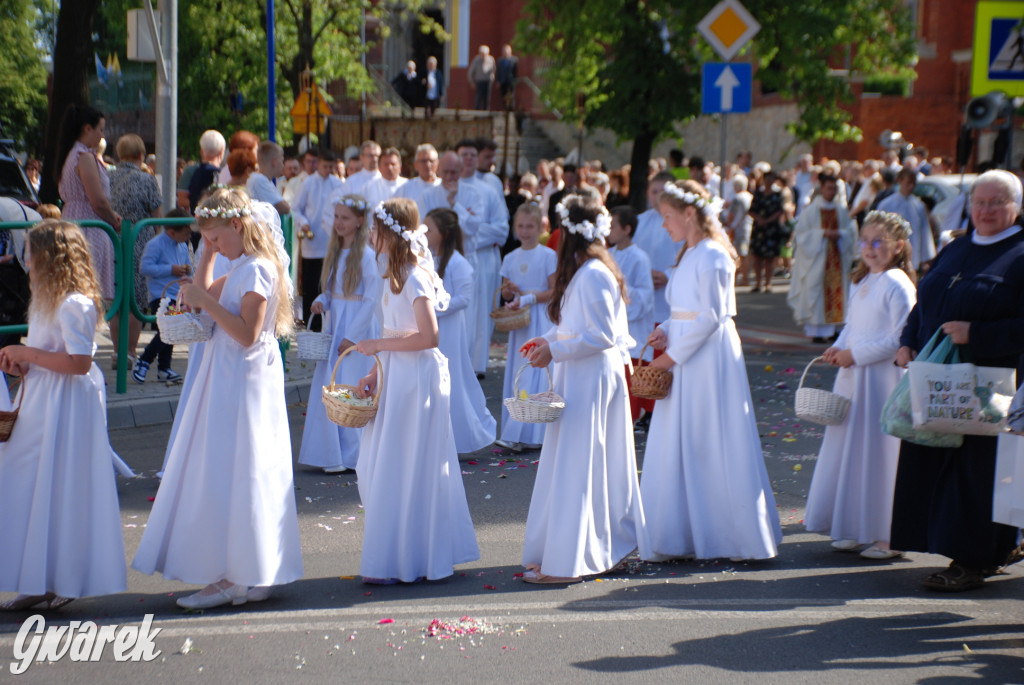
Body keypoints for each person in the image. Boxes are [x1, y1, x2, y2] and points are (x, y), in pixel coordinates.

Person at [133, 188, 302, 609]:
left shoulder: (259, 269)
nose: (214, 246)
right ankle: (248, 571)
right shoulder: (241, 264)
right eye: (206, 239)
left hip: (243, 377)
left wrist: (205, 299)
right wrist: (206, 254)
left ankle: (234, 575)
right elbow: (207, 287)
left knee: (240, 466)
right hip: (228, 373)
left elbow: (246, 333)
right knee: (236, 466)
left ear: (238, 226)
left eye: (217, 238)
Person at [890, 170, 1024, 591]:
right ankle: (966, 545)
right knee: (933, 461)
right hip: (939, 379)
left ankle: (974, 560)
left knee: (975, 473)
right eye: (979, 202)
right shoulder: (956, 247)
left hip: (990, 383)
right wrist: (908, 340)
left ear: (1016, 206)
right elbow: (925, 298)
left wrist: (977, 333)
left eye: (996, 202)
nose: (985, 210)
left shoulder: (1020, 254)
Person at [641, 181, 782, 562]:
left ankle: (728, 535)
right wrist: (665, 331)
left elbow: (712, 315)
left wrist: (669, 359)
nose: (664, 225)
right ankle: (681, 531)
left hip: (706, 360)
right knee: (683, 439)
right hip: (686, 352)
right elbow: (684, 310)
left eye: (667, 216)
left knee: (710, 438)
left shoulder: (715, 255)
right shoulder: (688, 253)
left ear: (690, 214)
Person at [518, 194, 649, 584]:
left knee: (581, 464)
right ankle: (592, 548)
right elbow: (575, 327)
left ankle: (571, 561)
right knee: (579, 463)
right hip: (581, 374)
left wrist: (555, 351)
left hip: (590, 379)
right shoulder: (588, 271)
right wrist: (546, 340)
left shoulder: (593, 274)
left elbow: (602, 335)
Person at [0, 220, 126, 611]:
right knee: (30, 481)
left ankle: (65, 576)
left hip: (69, 403)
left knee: (66, 483)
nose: (27, 265)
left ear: (51, 260)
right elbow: (48, 352)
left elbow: (78, 361)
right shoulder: (46, 300)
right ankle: (36, 577)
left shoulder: (75, 303)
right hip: (43, 397)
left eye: (31, 257)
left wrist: (27, 354)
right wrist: (22, 363)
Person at [352, 198, 479, 584]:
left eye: (374, 229)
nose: (370, 236)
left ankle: (409, 557)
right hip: (395, 374)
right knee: (383, 461)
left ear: (390, 232)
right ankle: (395, 553)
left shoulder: (415, 276)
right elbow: (394, 329)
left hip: (416, 380)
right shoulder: (390, 275)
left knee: (407, 463)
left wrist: (378, 348)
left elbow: (429, 336)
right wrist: (376, 370)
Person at [804, 211, 917, 560]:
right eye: (865, 241)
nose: (869, 248)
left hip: (881, 377)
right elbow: (853, 325)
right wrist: (840, 346)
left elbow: (900, 338)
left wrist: (857, 354)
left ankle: (888, 534)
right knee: (851, 449)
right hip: (854, 376)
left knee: (880, 453)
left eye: (877, 241)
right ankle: (854, 524)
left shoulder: (898, 283)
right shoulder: (862, 280)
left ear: (898, 245)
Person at [298, 195, 379, 473]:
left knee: (350, 386)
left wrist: (355, 336)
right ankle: (330, 452)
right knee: (332, 387)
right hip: (335, 328)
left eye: (345, 218)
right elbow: (333, 292)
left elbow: (370, 299)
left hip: (356, 329)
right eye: (336, 217)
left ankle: (353, 455)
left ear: (359, 221)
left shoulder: (367, 257)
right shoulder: (333, 254)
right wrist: (322, 299)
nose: (339, 223)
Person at [55, 105, 124, 364]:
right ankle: (82, 360)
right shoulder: (83, 156)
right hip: (90, 228)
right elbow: (97, 200)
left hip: (74, 222)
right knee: (86, 297)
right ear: (87, 128)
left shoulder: (71, 153)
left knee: (76, 293)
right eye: (100, 129)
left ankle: (76, 356)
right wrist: (113, 219)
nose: (102, 136)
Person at [425, 207, 496, 453]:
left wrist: (433, 308)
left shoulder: (458, 263)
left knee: (450, 378)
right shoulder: (427, 260)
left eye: (429, 228)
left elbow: (463, 298)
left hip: (449, 330)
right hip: (431, 328)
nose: (424, 232)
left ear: (444, 233)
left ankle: (460, 435)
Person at [496, 203, 557, 451]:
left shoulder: (548, 255)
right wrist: (510, 293)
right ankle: (516, 427)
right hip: (520, 320)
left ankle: (536, 432)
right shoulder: (510, 257)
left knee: (536, 370)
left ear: (540, 226)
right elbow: (506, 291)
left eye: (530, 226)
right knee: (518, 370)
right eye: (520, 226)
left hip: (540, 318)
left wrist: (530, 298)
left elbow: (554, 290)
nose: (525, 230)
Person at [110, 133, 164, 365]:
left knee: (117, 299)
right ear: (141, 155)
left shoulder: (107, 177)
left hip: (112, 238)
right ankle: (130, 352)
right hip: (139, 240)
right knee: (136, 300)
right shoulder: (147, 180)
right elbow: (157, 217)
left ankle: (116, 351)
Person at [787, 173, 857, 342]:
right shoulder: (811, 211)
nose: (832, 192)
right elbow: (801, 235)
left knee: (839, 294)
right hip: (817, 261)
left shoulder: (841, 210)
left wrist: (840, 234)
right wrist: (822, 234)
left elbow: (851, 232)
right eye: (829, 188)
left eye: (834, 189)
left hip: (837, 260)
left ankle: (834, 330)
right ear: (822, 188)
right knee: (817, 294)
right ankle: (818, 332)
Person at [607, 205, 655, 423]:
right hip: (614, 324)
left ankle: (632, 419)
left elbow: (645, 294)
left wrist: (623, 286)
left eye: (613, 225)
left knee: (633, 377)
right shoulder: (608, 255)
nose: (609, 229)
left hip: (633, 326)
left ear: (627, 229)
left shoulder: (639, 258)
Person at [133, 215, 192, 384]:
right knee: (170, 328)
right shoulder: (155, 244)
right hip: (160, 294)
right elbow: (144, 267)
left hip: (177, 293)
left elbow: (188, 265)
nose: (188, 237)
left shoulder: (182, 245)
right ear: (172, 232)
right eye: (186, 234)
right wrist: (170, 269)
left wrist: (187, 270)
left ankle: (164, 368)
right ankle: (144, 360)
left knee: (171, 329)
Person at [292, 149, 345, 325]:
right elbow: (296, 208)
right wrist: (303, 222)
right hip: (312, 241)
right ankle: (310, 323)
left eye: (331, 167)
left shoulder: (337, 184)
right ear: (318, 165)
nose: (327, 170)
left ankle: (325, 324)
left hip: (330, 240)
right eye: (324, 166)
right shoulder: (307, 183)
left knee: (327, 285)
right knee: (310, 285)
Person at [877, 168, 936, 271]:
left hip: (913, 254)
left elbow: (924, 231)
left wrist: (925, 258)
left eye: (913, 183)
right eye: (908, 183)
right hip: (891, 254)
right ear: (900, 181)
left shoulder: (919, 205)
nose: (911, 186)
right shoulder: (886, 204)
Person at [748, 170, 787, 293]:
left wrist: (768, 220)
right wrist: (759, 219)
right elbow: (751, 210)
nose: (769, 182)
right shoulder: (758, 194)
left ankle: (768, 283)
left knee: (770, 258)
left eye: (771, 179)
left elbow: (780, 211)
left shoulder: (778, 195)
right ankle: (758, 283)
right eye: (767, 179)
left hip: (771, 228)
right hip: (759, 228)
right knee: (757, 256)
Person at [394, 143, 441, 214]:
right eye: (424, 161)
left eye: (431, 161)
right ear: (415, 165)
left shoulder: (443, 186)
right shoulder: (405, 188)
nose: (428, 165)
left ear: (438, 163)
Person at [247, 141, 290, 216]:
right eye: (282, 161)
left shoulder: (260, 179)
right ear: (274, 161)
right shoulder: (260, 180)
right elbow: (284, 208)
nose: (283, 165)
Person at [188, 129, 226, 213]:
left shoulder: (195, 172)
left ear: (201, 151)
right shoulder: (218, 174)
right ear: (221, 151)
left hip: (197, 218)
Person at [726, 174, 754, 286]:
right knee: (746, 253)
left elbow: (732, 215)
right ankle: (745, 278)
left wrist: (729, 227)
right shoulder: (750, 196)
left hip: (740, 229)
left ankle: (744, 278)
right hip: (749, 226)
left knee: (741, 254)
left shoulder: (737, 198)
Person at [361, 147, 407, 213]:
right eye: (386, 164)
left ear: (400, 167)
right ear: (379, 167)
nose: (389, 168)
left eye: (393, 164)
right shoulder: (368, 187)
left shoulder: (408, 185)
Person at [468, 45, 496, 111]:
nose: (483, 55)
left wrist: (492, 76)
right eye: (482, 54)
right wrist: (471, 81)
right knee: (479, 97)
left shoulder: (491, 60)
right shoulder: (476, 60)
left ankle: (486, 111)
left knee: (487, 97)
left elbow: (494, 70)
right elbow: (470, 72)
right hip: (479, 81)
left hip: (488, 81)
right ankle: (477, 112)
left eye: (485, 54)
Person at [496, 44, 518, 110]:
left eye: (507, 51)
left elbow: (515, 71)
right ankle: (505, 109)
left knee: (511, 95)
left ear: (510, 51)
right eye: (504, 51)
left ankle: (511, 109)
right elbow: (498, 72)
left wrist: (515, 80)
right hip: (503, 81)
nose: (505, 53)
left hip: (510, 81)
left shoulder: (514, 60)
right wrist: (498, 81)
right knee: (504, 95)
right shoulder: (500, 61)